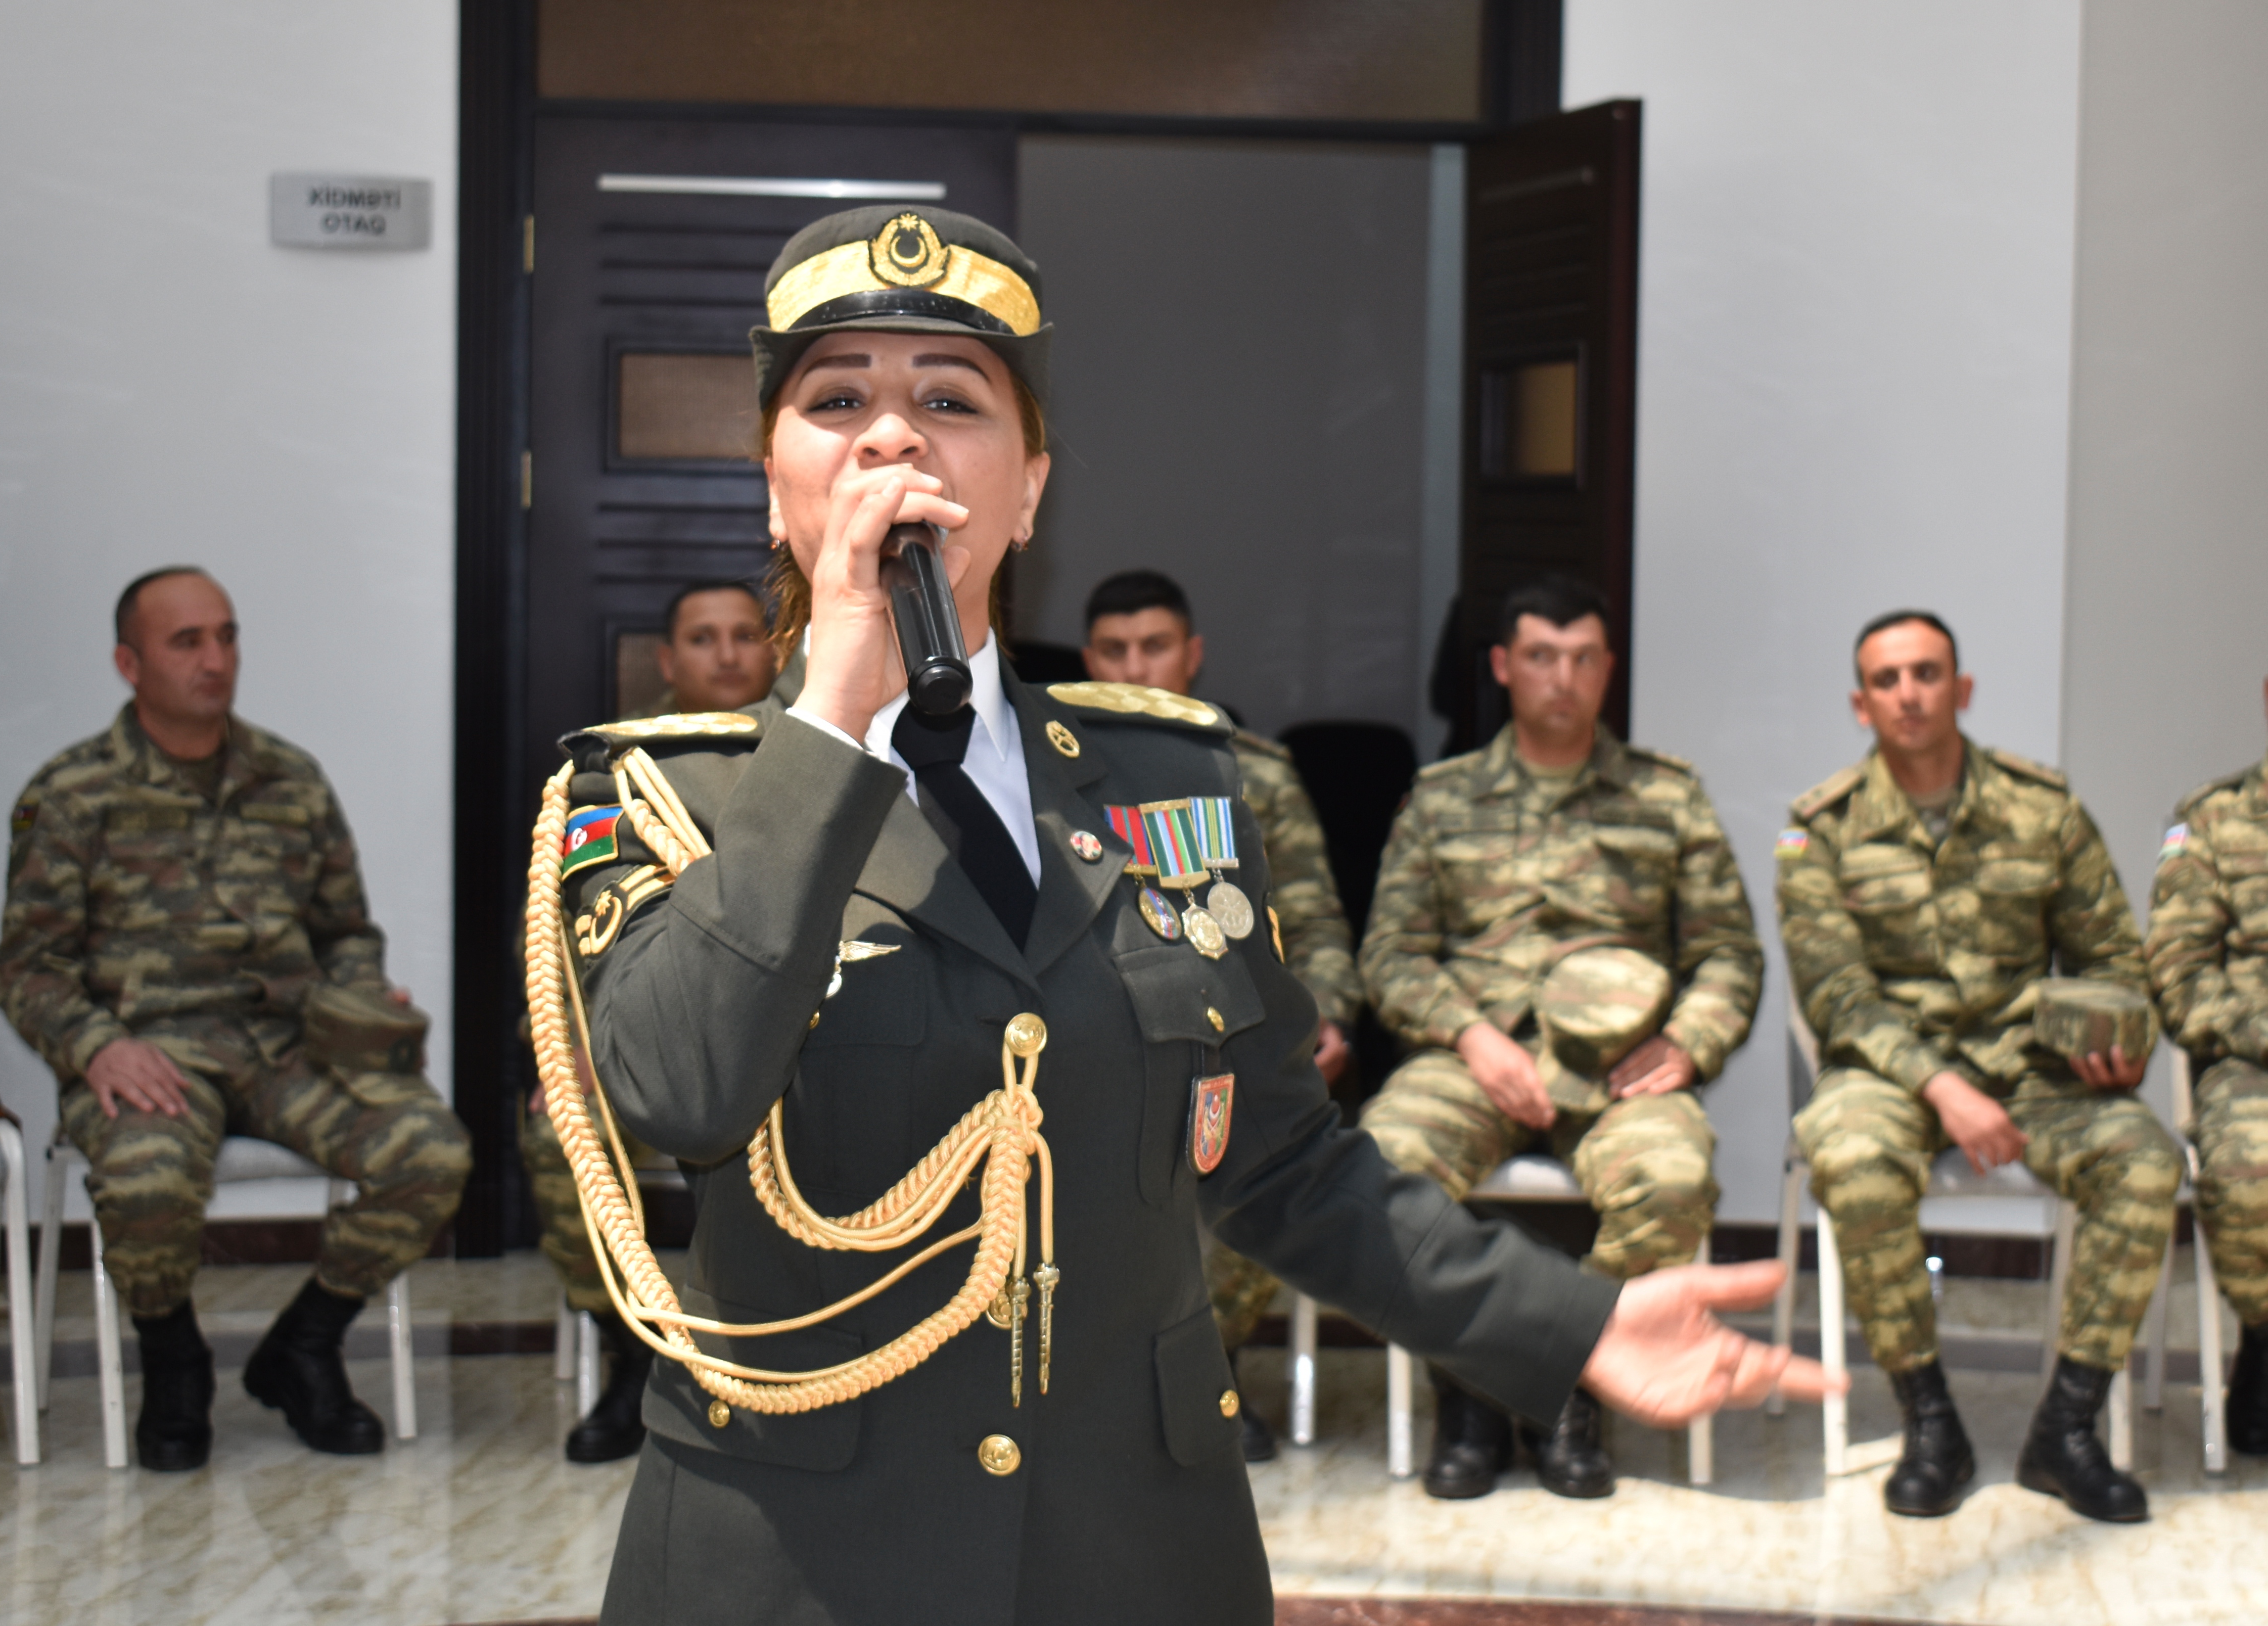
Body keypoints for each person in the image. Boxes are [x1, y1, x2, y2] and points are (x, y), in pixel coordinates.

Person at [556, 205, 1834, 1626]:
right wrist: (833, 716)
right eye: (839, 399)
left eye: (952, 400)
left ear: (1030, 491)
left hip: (1132, 1546)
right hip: (796, 1555)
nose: (895, 435)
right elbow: (678, 1091)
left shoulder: (1169, 778)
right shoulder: (656, 796)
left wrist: (1570, 1321)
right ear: (773, 485)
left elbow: (1283, 1161)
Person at [0, 568, 470, 1471]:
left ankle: (305, 1346)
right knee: (146, 1183)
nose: (216, 659)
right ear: (129, 664)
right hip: (153, 1052)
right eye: (188, 642)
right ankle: (175, 1359)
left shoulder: (290, 778)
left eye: (227, 635)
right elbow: (27, 965)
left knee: (432, 1152)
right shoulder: (73, 792)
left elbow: (344, 933)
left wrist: (362, 999)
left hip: (288, 1048)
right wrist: (98, 1047)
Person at [1357, 575, 1763, 1502]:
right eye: (1542, 657)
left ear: (1607, 670)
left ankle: (1571, 1386)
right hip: (1476, 1060)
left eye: (1583, 660)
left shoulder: (1666, 795)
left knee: (1673, 1182)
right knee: (1385, 1167)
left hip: (1622, 1070)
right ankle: (1470, 1388)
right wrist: (1470, 1036)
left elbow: (1728, 953)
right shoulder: (1442, 798)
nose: (1563, 679)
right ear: (1504, 666)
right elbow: (1391, 953)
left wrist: (1686, 1044)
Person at [1780, 609, 2176, 1523]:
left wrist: (2114, 1044)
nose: (1908, 694)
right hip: (1888, 1073)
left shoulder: (2043, 809)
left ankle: (2066, 1429)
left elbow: (2113, 959)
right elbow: (1837, 994)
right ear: (1860, 704)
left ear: (1961, 689)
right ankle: (1931, 1424)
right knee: (1852, 1157)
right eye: (1886, 680)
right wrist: (1944, 1088)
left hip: (2031, 1067)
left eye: (1926, 673)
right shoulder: (1819, 829)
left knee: (2144, 1160)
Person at [1080, 566, 1362, 1460]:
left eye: (1154, 646)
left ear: (1193, 654)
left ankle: (1204, 1374)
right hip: (1088, 1048)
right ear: (1087, 658)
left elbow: (1316, 922)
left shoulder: (1254, 776)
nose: (1136, 667)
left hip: (1227, 1043)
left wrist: (1326, 1017)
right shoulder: (1045, 774)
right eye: (1115, 650)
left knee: (1250, 1167)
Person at [527, 580, 785, 1464]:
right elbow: (560, 937)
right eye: (704, 638)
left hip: (795, 1038)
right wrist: (580, 1049)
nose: (728, 653)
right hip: (645, 1033)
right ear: (668, 660)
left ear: (774, 649)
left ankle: (788, 1338)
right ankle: (634, 1350)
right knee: (563, 1134)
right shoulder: (615, 771)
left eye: (744, 634)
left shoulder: (815, 752)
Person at [2145, 673, 2268, 1454]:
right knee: (2252, 1163)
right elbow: (2179, 977)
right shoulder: (2214, 819)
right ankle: (2265, 1340)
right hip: (2249, 1060)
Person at [627, 580, 779, 720]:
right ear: (668, 662)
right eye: (702, 639)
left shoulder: (793, 731)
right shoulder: (626, 738)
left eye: (746, 637)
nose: (728, 658)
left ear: (773, 652)